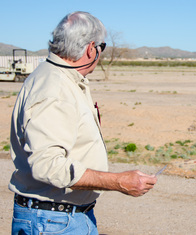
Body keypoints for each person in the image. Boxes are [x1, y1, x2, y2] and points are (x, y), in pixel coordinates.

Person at [9, 11, 157, 235]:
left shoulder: (61, 77)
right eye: (102, 47)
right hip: (53, 222)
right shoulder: (55, 87)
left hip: (63, 216)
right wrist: (118, 181)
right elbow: (47, 165)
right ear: (91, 49)